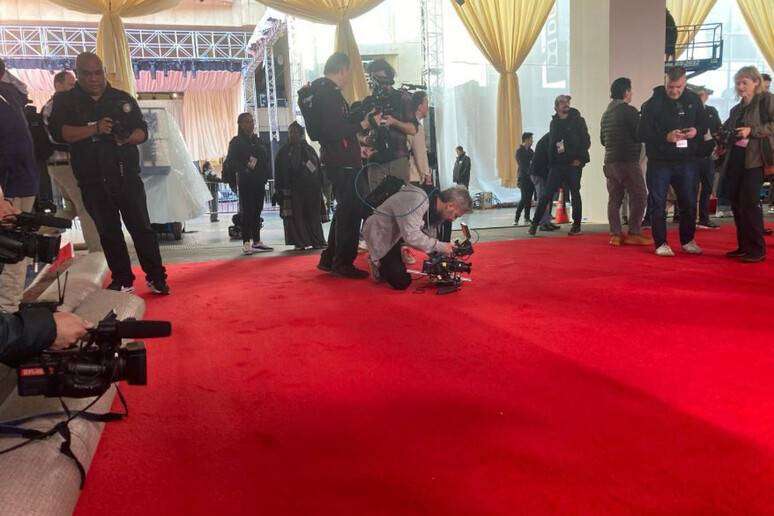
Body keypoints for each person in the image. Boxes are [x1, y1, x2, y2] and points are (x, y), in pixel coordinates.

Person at [49, 52, 169, 294]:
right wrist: (94, 129)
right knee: (108, 232)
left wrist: (127, 137)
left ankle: (157, 277)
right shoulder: (65, 101)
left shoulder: (121, 98)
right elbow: (61, 133)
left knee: (142, 228)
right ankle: (123, 279)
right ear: (77, 74)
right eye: (87, 74)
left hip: (126, 176)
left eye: (98, 73)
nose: (94, 78)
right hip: (92, 179)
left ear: (104, 72)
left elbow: (143, 132)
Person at [314, 53, 373, 279]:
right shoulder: (329, 95)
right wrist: (361, 125)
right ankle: (343, 262)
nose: (349, 77)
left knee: (344, 211)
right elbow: (333, 131)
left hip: (338, 161)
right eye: (348, 72)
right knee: (350, 213)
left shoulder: (323, 92)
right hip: (342, 164)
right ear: (342, 70)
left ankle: (330, 258)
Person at [638, 66, 708, 257]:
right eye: (671, 87)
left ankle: (688, 240)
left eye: (678, 87)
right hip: (659, 162)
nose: (674, 91)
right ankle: (661, 242)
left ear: (685, 83)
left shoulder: (693, 100)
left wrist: (696, 131)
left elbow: (704, 124)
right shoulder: (652, 104)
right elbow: (641, 133)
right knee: (658, 202)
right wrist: (665, 137)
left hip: (687, 160)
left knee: (689, 202)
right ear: (665, 81)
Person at [363, 185, 473, 290]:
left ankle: (397, 252)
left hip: (398, 233)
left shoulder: (433, 202)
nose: (453, 219)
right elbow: (412, 236)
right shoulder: (418, 200)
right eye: (456, 215)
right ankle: (375, 260)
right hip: (379, 232)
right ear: (450, 205)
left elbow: (427, 234)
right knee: (401, 282)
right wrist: (441, 246)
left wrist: (440, 256)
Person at [42, 70, 102, 252]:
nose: (73, 88)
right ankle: (97, 251)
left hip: (61, 165)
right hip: (64, 164)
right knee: (85, 206)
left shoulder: (62, 105)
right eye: (70, 84)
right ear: (58, 85)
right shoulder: (53, 106)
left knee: (71, 209)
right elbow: (58, 137)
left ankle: (37, 235)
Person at [719, 66, 772, 263]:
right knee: (737, 203)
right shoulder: (737, 108)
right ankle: (744, 246)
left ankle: (757, 249)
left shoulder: (767, 100)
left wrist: (751, 130)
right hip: (736, 159)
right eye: (738, 83)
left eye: (744, 83)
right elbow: (728, 129)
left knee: (750, 204)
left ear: (756, 82)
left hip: (755, 160)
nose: (740, 87)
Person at [0, 69, 40, 313]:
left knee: (14, 251)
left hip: (16, 185)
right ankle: (7, 312)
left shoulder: (8, 94)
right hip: (13, 185)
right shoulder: (9, 94)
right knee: (12, 251)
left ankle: (8, 312)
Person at [600, 77, 652, 246]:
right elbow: (640, 133)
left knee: (614, 199)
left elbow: (602, 140)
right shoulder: (628, 111)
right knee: (640, 195)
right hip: (627, 160)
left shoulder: (606, 114)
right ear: (626, 92)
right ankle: (634, 232)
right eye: (630, 90)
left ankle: (615, 234)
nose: (632, 93)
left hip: (610, 161)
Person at [529, 95, 590, 237]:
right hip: (557, 165)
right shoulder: (554, 123)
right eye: (562, 102)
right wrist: (552, 164)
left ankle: (576, 226)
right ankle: (534, 224)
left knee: (575, 193)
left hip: (573, 164)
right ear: (556, 107)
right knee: (546, 194)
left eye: (567, 102)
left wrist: (579, 159)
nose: (566, 104)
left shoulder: (578, 120)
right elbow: (552, 145)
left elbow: (586, 141)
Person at [361, 59, 418, 191]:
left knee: (400, 200)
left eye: (381, 79)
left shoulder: (402, 98)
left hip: (397, 159)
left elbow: (413, 129)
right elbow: (357, 132)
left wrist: (394, 122)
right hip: (375, 161)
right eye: (374, 78)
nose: (377, 83)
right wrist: (365, 139)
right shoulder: (368, 102)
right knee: (377, 200)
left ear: (389, 78)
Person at [225, 113, 273, 255]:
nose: (250, 124)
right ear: (240, 124)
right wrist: (244, 169)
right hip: (246, 181)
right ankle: (246, 242)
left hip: (259, 181)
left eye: (252, 121)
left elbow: (265, 159)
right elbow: (231, 161)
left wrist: (265, 175)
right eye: (246, 122)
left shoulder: (258, 141)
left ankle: (257, 241)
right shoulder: (236, 142)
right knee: (247, 211)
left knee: (257, 210)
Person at [274, 121, 326, 250]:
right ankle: (299, 242)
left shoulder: (309, 150)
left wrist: (320, 185)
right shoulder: (283, 152)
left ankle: (316, 240)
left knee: (312, 216)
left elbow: (316, 169)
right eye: (290, 132)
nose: (293, 134)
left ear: (301, 134)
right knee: (295, 217)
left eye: (296, 132)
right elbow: (279, 172)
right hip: (292, 190)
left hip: (311, 189)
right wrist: (278, 189)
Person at [693, 86, 722, 229]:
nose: (700, 98)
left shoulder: (711, 111)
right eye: (697, 95)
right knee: (690, 188)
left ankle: (704, 218)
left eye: (702, 95)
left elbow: (718, 129)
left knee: (707, 188)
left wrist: (719, 145)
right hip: (692, 157)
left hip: (708, 155)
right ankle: (689, 218)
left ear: (706, 96)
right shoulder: (690, 112)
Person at [529, 132, 557, 231]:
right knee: (543, 198)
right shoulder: (550, 139)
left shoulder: (548, 138)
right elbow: (551, 157)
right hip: (539, 173)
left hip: (541, 173)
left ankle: (546, 221)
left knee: (546, 199)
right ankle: (543, 223)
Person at [408, 91, 432, 187]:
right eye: (426, 103)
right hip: (414, 175)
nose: (428, 107)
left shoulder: (408, 124)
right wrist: (425, 173)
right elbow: (419, 153)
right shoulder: (416, 127)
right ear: (419, 106)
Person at [514, 132, 535, 226]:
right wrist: (529, 172)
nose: (532, 141)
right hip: (523, 178)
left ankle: (527, 217)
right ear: (526, 140)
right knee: (524, 198)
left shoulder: (531, 152)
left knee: (529, 198)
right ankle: (516, 218)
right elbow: (522, 165)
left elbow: (533, 163)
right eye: (531, 139)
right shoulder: (519, 151)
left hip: (531, 178)